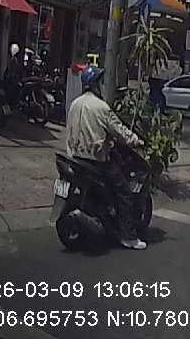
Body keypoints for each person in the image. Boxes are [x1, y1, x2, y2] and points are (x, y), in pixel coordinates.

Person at [65, 66, 147, 250]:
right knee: (124, 192)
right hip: (96, 161)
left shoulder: (74, 104)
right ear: (96, 84)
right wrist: (136, 141)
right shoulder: (101, 107)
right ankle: (128, 237)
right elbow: (119, 131)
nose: (102, 85)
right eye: (101, 81)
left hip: (75, 158)